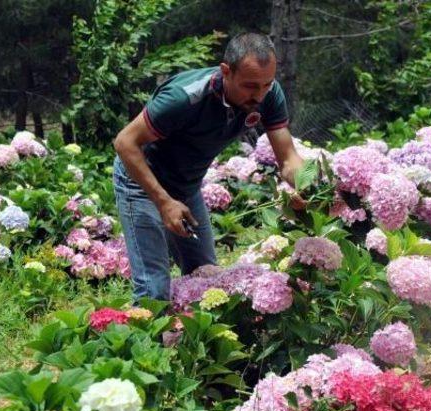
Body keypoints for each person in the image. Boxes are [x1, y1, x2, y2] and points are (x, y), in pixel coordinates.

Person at [113, 32, 305, 303]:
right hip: (141, 181)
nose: (260, 95)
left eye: (267, 84)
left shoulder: (268, 93)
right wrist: (164, 202)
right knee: (153, 289)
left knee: (207, 278)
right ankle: (138, 343)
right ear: (226, 71)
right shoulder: (184, 98)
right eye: (250, 86)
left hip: (186, 185)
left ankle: (187, 343)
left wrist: (308, 185)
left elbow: (287, 159)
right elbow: (124, 143)